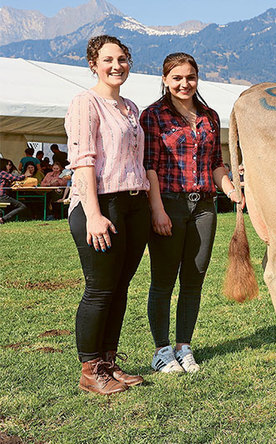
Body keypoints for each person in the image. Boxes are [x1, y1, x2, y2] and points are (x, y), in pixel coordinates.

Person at [141, 52, 240, 374]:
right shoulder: (153, 115)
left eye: (190, 77)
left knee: (194, 279)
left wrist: (231, 191)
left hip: (204, 207)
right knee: (163, 281)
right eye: (177, 78)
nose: (185, 84)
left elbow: (216, 164)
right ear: (165, 80)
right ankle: (162, 350)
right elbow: (149, 167)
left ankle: (184, 346)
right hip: (169, 203)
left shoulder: (210, 116)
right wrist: (157, 210)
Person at [65, 35, 151, 395]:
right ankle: (90, 370)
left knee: (120, 287)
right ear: (93, 65)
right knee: (100, 289)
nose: (117, 66)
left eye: (122, 59)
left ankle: (108, 362)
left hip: (134, 203)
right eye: (108, 60)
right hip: (100, 204)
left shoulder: (131, 107)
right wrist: (94, 215)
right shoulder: (85, 103)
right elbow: (82, 161)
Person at [0, 158, 29, 223]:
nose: (10, 167)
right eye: (9, 165)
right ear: (4, 165)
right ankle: (3, 219)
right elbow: (16, 178)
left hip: (2, 196)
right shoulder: (3, 173)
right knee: (22, 206)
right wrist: (25, 175)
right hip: (2, 196)